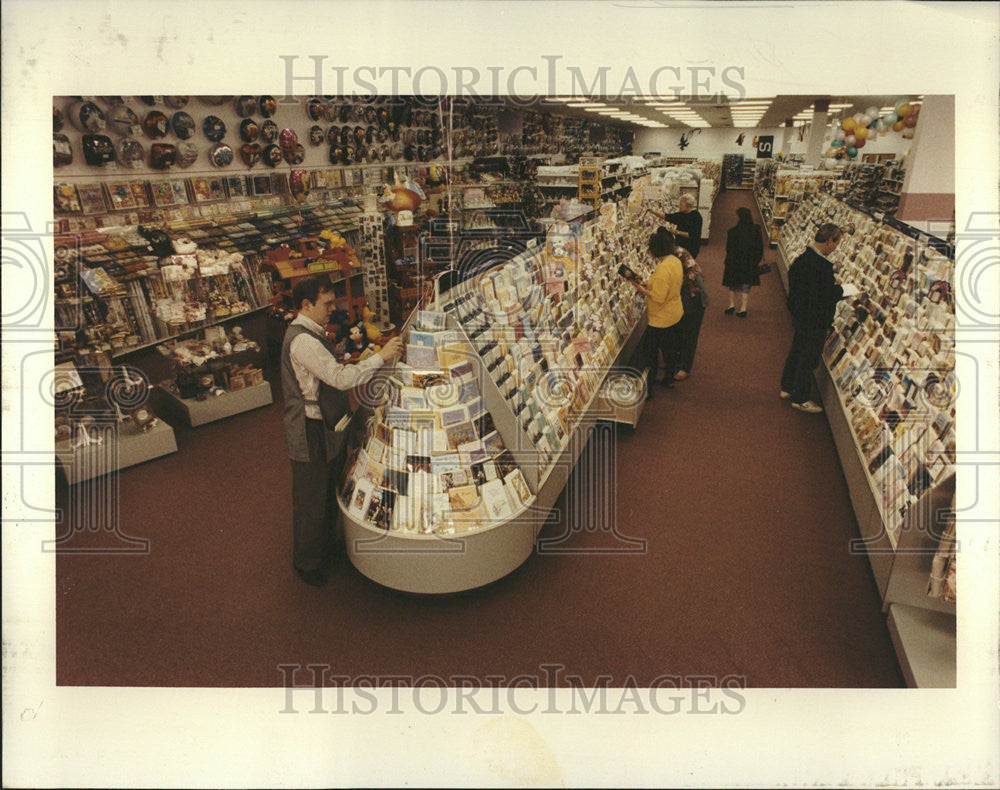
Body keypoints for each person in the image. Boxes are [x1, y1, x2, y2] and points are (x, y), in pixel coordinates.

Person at [281, 275, 402, 585]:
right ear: (306, 305)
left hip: (325, 422)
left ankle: (323, 549)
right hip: (310, 428)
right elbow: (338, 377)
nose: (332, 309)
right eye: (327, 303)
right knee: (311, 495)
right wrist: (379, 357)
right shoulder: (303, 340)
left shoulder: (312, 332)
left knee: (327, 485)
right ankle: (307, 563)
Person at [780, 223, 845, 414]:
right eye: (836, 242)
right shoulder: (823, 267)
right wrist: (839, 289)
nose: (836, 247)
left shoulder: (802, 259)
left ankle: (787, 386)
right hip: (815, 321)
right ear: (830, 240)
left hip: (800, 316)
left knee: (797, 350)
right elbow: (825, 296)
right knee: (809, 358)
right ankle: (800, 398)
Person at [623, 227, 684, 398]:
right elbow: (667, 285)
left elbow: (658, 297)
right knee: (670, 349)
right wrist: (648, 283)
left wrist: (640, 288)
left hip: (660, 318)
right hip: (675, 311)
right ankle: (669, 378)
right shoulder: (674, 261)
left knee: (650, 353)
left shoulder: (663, 269)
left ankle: (648, 390)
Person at [671, 242, 709, 380]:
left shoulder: (679, 255)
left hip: (694, 299)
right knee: (680, 330)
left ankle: (685, 367)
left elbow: (694, 274)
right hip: (685, 298)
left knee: (689, 332)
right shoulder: (676, 253)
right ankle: (678, 362)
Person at [722, 206, 765, 317]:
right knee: (746, 284)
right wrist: (756, 260)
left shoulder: (732, 231)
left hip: (734, 261)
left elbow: (728, 248)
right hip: (750, 262)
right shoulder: (756, 229)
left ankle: (731, 305)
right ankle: (743, 308)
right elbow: (760, 247)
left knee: (732, 283)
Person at [647, 193, 703, 258]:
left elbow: (693, 235)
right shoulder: (682, 214)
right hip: (681, 244)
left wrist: (677, 232)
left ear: (688, 205)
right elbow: (667, 217)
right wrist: (653, 211)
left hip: (690, 247)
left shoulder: (696, 217)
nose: (679, 206)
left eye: (681, 205)